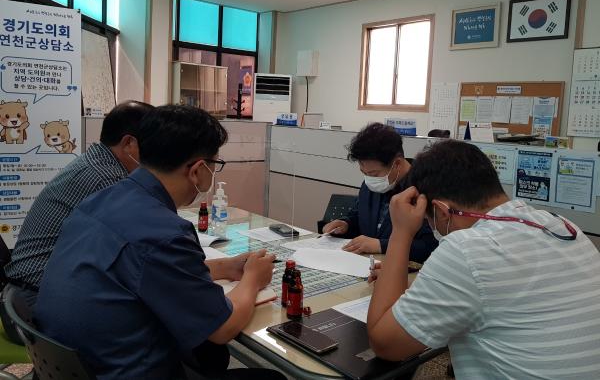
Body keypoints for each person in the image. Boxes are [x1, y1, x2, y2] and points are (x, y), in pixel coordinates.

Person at [34, 105, 284, 380]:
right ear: (198, 169)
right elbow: (222, 328)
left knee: (208, 357)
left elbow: (140, 271)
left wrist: (225, 267)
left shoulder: (100, 200)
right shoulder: (166, 233)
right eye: (215, 164)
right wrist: (253, 278)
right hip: (124, 371)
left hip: (72, 364)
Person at [367, 140, 600, 379]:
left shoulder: (466, 249)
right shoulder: (563, 226)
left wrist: (401, 232)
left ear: (441, 212)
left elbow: (386, 344)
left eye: (429, 220)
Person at [1, 100, 153, 343]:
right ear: (129, 143)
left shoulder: (96, 161)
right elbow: (142, 252)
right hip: (36, 303)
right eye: (154, 144)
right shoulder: (107, 178)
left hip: (23, 295)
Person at [322, 123, 437, 260]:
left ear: (397, 164)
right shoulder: (371, 184)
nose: (369, 179)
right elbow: (359, 216)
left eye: (374, 174)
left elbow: (431, 246)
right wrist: (346, 224)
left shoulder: (425, 190)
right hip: (366, 263)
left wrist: (381, 245)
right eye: (364, 173)